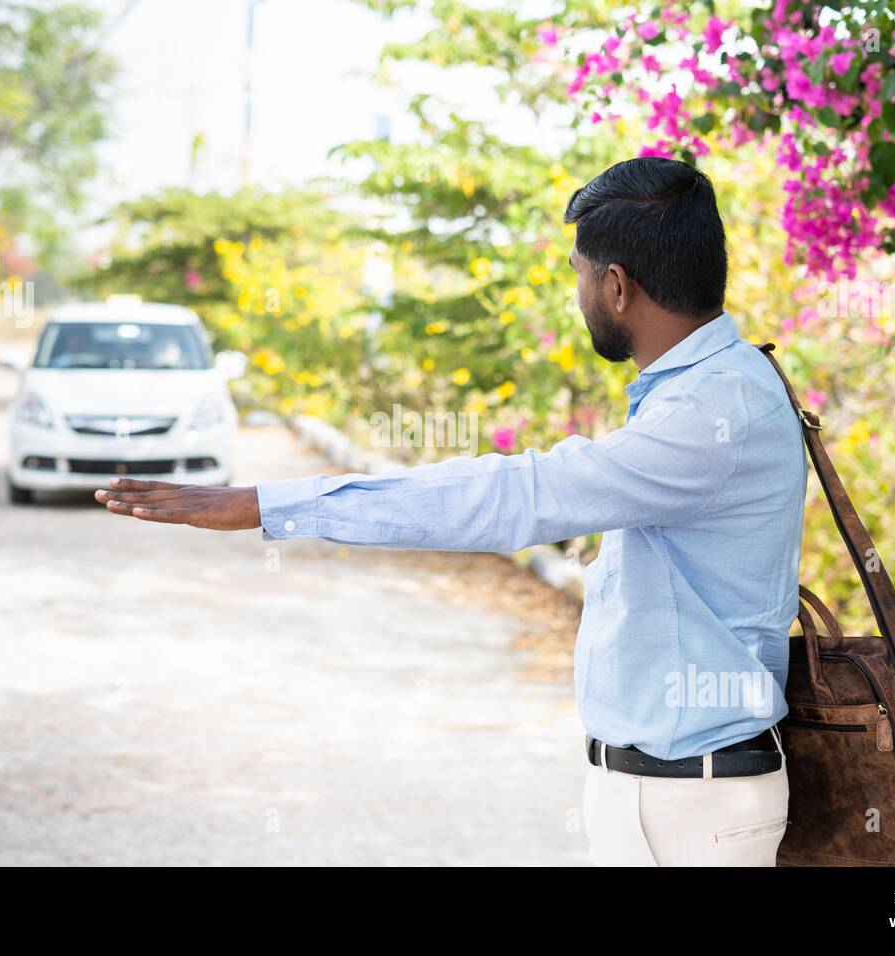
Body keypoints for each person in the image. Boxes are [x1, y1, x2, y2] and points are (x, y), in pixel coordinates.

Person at [95, 157, 807, 866]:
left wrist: (269, 503)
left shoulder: (710, 413)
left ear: (616, 286)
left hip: (692, 809)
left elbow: (512, 497)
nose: (579, 291)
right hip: (667, 796)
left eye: (579, 273)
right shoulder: (711, 388)